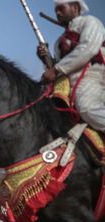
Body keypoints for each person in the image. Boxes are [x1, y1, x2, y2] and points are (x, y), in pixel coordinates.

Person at [38, 0, 105, 131]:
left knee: (87, 108)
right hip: (68, 88)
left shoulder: (90, 22)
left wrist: (56, 69)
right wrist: (44, 59)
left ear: (75, 7)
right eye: (56, 10)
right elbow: (56, 69)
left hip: (93, 80)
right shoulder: (58, 42)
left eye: (61, 8)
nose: (57, 13)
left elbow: (88, 48)